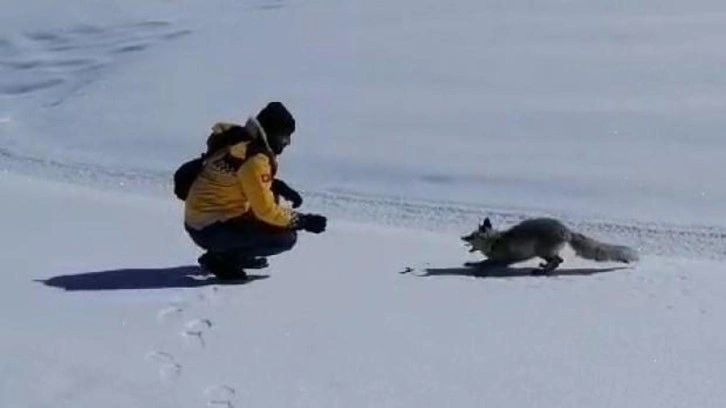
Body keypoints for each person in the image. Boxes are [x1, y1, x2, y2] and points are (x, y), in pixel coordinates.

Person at [181, 102, 327, 280]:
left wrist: (276, 185)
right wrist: (303, 221)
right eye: (285, 138)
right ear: (273, 134)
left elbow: (241, 177)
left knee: (272, 203)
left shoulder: (239, 140)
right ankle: (220, 259)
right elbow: (265, 210)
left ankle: (235, 254)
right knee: (284, 238)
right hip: (209, 228)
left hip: (202, 220)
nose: (287, 143)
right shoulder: (255, 158)